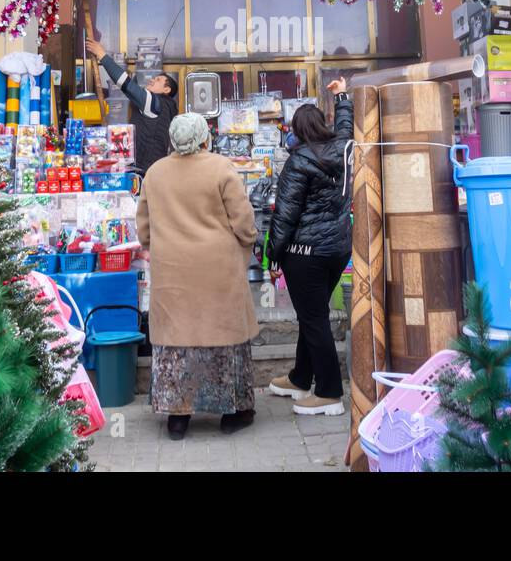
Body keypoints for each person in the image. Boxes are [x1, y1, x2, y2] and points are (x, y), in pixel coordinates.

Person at [136, 112, 260, 440]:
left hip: (173, 270)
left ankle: (178, 417)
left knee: (177, 342)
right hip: (218, 269)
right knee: (225, 342)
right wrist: (247, 243)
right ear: (204, 137)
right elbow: (243, 221)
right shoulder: (221, 168)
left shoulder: (155, 173)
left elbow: (144, 228)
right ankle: (235, 412)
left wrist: (157, 246)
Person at [268, 78, 353, 416]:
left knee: (314, 318)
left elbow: (284, 215)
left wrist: (273, 255)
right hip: (337, 249)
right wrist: (342, 95)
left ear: (297, 131)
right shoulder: (344, 147)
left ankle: (330, 392)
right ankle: (301, 377)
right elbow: (345, 124)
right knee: (311, 314)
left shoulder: (298, 161)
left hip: (306, 253)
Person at [85, 37, 178, 174]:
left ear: (166, 90)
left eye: (158, 80)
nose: (152, 79)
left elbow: (125, 84)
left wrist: (101, 54)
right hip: (153, 170)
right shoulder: (164, 108)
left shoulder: (154, 103)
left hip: (144, 171)